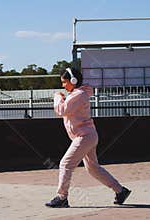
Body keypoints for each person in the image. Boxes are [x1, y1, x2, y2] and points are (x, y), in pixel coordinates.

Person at [45, 67, 131, 208]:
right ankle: (120, 191)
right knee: (93, 168)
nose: (63, 85)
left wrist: (57, 97)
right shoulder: (77, 94)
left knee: (65, 164)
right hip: (87, 136)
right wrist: (62, 98)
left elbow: (62, 110)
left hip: (84, 137)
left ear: (73, 81)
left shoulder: (78, 94)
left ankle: (62, 198)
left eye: (64, 82)